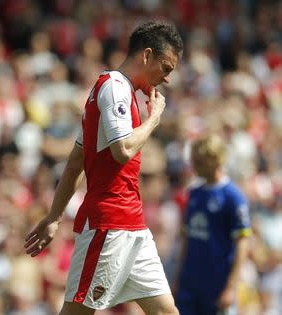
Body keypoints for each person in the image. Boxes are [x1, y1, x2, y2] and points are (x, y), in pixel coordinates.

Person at [24, 21, 183, 315]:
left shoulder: (118, 94)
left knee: (166, 312)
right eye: (166, 67)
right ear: (146, 55)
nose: (167, 78)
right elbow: (122, 151)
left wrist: (54, 216)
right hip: (108, 225)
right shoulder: (113, 88)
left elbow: (75, 163)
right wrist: (154, 120)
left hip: (133, 224)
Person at [175, 135, 252, 315]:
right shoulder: (194, 194)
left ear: (215, 160)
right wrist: (178, 278)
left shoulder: (233, 198)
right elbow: (187, 239)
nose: (194, 166)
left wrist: (231, 287)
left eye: (199, 161)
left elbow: (242, 244)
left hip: (217, 284)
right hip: (190, 284)